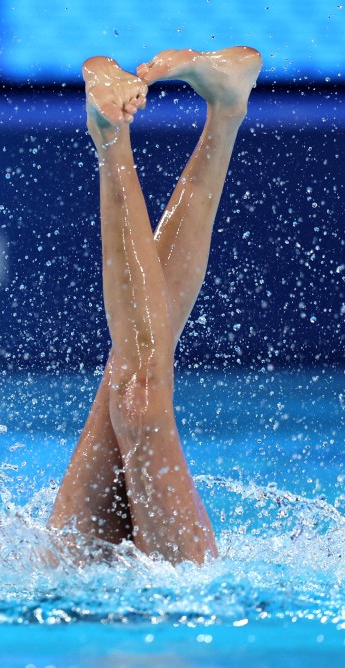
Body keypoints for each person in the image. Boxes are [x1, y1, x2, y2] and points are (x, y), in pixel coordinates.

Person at [48, 47, 262, 564]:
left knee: (135, 387)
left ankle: (123, 133)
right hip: (173, 607)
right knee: (137, 391)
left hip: (62, 581)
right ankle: (221, 111)